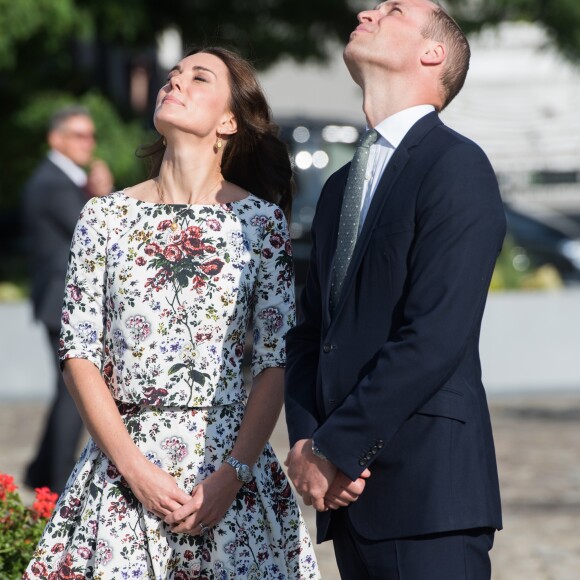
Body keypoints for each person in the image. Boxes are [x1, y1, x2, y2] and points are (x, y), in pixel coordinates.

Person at [24, 47, 320, 579]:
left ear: (229, 120)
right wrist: (135, 471)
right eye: (172, 75)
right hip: (122, 472)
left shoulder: (261, 223)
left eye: (198, 77)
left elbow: (278, 360)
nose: (175, 83)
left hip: (229, 477)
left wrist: (232, 476)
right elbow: (79, 352)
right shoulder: (105, 216)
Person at [284, 1, 505, 579]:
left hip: (430, 496)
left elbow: (435, 335)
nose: (367, 11)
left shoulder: (457, 166)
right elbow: (311, 337)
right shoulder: (338, 189)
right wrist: (309, 444)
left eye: (393, 9)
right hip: (349, 502)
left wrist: (336, 449)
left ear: (433, 53)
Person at [22, 105, 113, 495]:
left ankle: (40, 472)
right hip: (64, 302)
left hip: (63, 300)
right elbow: (97, 235)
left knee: (68, 392)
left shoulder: (64, 180)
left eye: (91, 135)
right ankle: (56, 481)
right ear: (55, 139)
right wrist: (105, 196)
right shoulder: (54, 183)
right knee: (75, 395)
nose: (87, 143)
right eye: (78, 135)